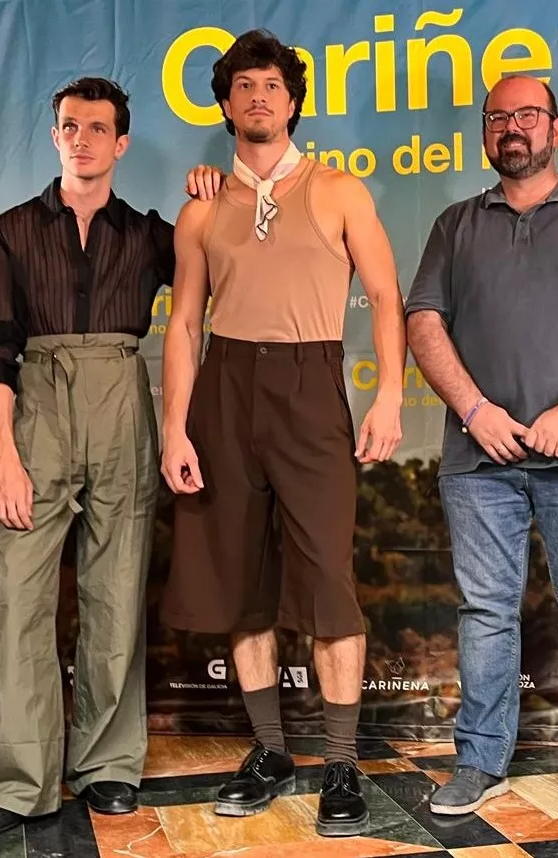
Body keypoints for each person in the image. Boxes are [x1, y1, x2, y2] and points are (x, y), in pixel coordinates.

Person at [0, 78, 219, 840]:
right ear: (54, 136)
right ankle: (24, 780)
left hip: (119, 392)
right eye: (69, 125)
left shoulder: (147, 234)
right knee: (23, 598)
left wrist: (211, 197)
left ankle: (107, 765)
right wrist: (2, 453)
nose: (82, 138)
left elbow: (218, 274)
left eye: (97, 128)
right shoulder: (8, 231)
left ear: (120, 143)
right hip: (34, 400)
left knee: (115, 589)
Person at [160, 29, 405, 838]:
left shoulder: (339, 190)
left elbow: (384, 294)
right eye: (243, 86)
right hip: (224, 391)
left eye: (272, 85)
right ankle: (271, 752)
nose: (258, 96)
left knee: (328, 581)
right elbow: (185, 323)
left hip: (310, 385)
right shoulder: (199, 205)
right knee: (242, 581)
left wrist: (390, 398)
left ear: (293, 100)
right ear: (225, 103)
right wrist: (174, 428)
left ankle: (339, 763)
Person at [405, 73, 558, 820]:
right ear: (486, 132)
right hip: (479, 461)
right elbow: (422, 325)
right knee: (484, 611)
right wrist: (475, 410)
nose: (511, 128)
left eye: (526, 115)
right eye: (497, 117)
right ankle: (479, 760)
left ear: (556, 127)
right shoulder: (454, 224)